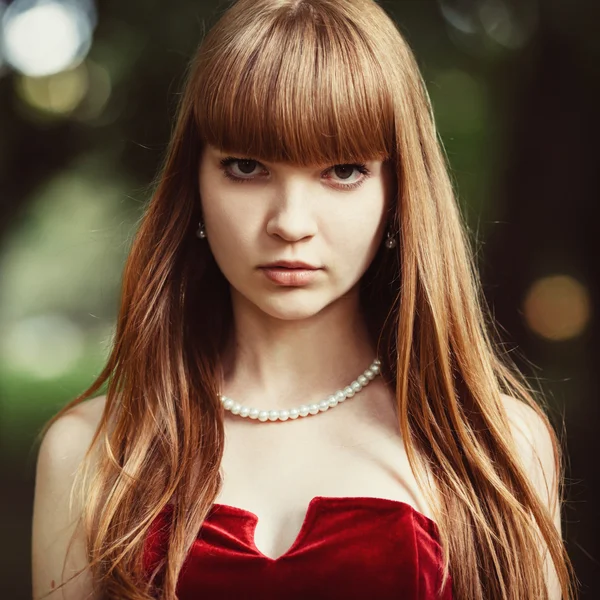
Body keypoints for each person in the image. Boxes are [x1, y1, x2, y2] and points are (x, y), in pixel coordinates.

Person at [31, 0, 577, 599]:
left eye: (343, 171)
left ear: (398, 193)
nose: (291, 223)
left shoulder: (497, 448)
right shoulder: (89, 454)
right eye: (246, 166)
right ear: (195, 184)